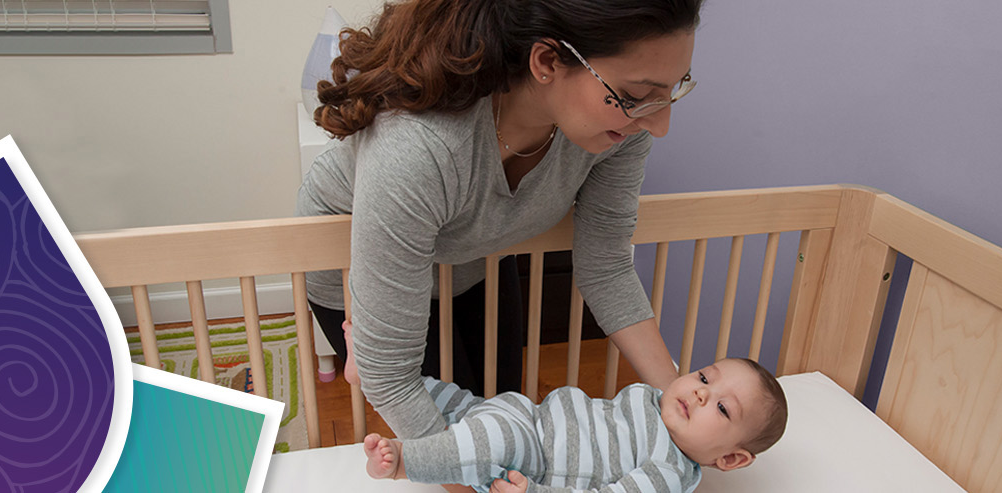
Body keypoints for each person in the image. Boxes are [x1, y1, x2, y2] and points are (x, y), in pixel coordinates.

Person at [298, 0, 704, 442]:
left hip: (475, 249)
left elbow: (606, 263)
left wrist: (683, 402)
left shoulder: (624, 129)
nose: (659, 123)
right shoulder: (420, 146)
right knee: (440, 413)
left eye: (672, 91)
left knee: (500, 414)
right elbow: (393, 379)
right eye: (636, 95)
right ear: (547, 61)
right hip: (359, 257)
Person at [360, 358, 790, 493]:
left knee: (483, 440)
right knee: (460, 403)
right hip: (529, 413)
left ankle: (403, 459)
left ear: (731, 457)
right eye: (703, 377)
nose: (700, 393)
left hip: (535, 459)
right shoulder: (652, 399)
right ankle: (376, 376)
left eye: (722, 409)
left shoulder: (668, 471)